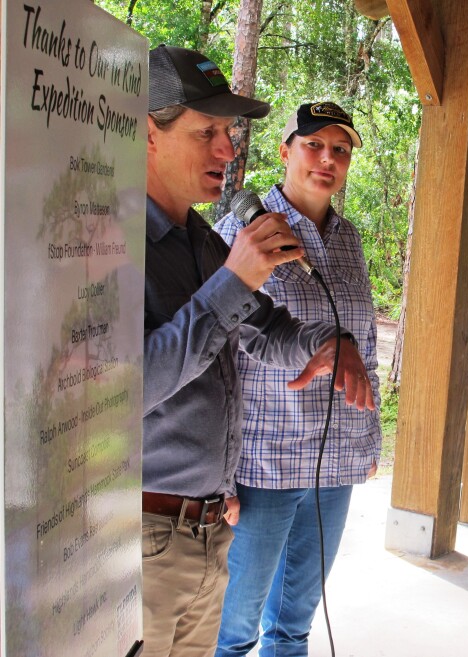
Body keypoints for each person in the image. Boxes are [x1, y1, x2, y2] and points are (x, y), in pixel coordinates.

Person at [142, 47, 374, 657]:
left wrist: (326, 345)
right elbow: (127, 388)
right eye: (207, 132)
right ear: (147, 133)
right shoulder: (111, 239)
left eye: (229, 133)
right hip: (154, 517)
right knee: (236, 638)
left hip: (213, 514)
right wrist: (236, 279)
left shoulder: (200, 239)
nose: (226, 150)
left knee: (284, 625)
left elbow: (263, 329)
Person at [212, 101, 380, 657]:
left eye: (340, 150)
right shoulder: (241, 230)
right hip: (263, 460)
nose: (326, 159)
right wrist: (221, 477)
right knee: (234, 628)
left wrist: (369, 436)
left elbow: (365, 345)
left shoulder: (349, 238)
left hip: (334, 461)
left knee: (295, 624)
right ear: (285, 151)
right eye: (313, 145)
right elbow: (215, 355)